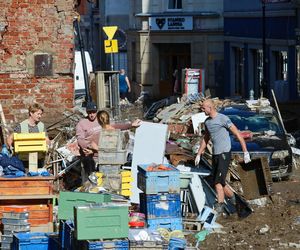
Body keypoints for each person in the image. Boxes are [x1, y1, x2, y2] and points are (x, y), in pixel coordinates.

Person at [195, 99, 251, 213]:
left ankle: (219, 205)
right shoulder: (207, 122)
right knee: (221, 182)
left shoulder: (223, 119)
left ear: (210, 108)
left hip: (224, 153)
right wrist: (199, 154)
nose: (202, 110)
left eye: (203, 108)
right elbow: (206, 138)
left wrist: (245, 152)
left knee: (217, 182)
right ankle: (237, 202)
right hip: (215, 154)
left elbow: (237, 134)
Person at [7, 103, 50, 167]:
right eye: (38, 114)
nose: (40, 116)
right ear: (31, 113)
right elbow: (10, 138)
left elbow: (47, 140)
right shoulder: (21, 126)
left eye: (41, 114)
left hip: (38, 159)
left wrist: (48, 145)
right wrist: (11, 148)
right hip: (23, 160)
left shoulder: (41, 125)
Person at [75, 101, 101, 183]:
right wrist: (90, 147)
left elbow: (114, 127)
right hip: (89, 159)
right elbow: (80, 140)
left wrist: (130, 125)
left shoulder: (101, 121)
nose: (92, 115)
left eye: (93, 112)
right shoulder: (82, 123)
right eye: (89, 112)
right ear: (86, 112)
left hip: (102, 156)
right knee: (89, 183)